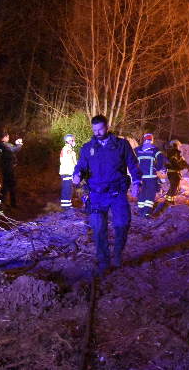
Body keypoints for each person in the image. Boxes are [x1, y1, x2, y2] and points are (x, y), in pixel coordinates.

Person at [73, 115, 140, 275]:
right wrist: (77, 174)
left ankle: (117, 255)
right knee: (98, 229)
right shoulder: (87, 148)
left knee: (122, 224)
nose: (97, 132)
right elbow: (81, 166)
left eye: (100, 129)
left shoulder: (121, 145)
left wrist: (137, 182)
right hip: (96, 195)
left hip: (117, 193)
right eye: (94, 130)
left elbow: (133, 164)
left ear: (107, 126)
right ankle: (103, 260)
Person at [134, 133, 166, 217]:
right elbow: (161, 159)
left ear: (144, 139)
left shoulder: (137, 149)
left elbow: (132, 161)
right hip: (151, 177)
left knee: (142, 193)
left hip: (140, 177)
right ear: (152, 140)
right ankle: (147, 212)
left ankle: (140, 211)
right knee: (150, 194)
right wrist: (157, 168)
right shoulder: (155, 149)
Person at [0, 131, 23, 209]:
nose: (9, 138)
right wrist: (19, 144)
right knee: (9, 185)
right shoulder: (3, 144)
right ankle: (5, 204)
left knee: (8, 185)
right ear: (5, 137)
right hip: (8, 168)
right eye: (8, 137)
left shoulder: (2, 145)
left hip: (8, 168)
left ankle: (6, 203)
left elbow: (12, 149)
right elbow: (13, 149)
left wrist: (17, 144)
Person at [165, 139, 189, 205]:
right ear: (175, 145)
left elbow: (182, 161)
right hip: (173, 172)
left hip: (174, 172)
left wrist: (188, 166)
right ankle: (169, 200)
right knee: (174, 187)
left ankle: (169, 199)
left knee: (174, 187)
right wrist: (182, 167)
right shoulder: (173, 153)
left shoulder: (177, 153)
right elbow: (175, 163)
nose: (179, 147)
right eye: (178, 145)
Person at [59, 134, 77, 207]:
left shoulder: (68, 149)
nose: (73, 141)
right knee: (67, 188)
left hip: (68, 171)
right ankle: (65, 205)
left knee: (69, 188)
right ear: (68, 141)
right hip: (67, 172)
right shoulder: (67, 149)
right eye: (72, 140)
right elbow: (70, 161)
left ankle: (68, 204)